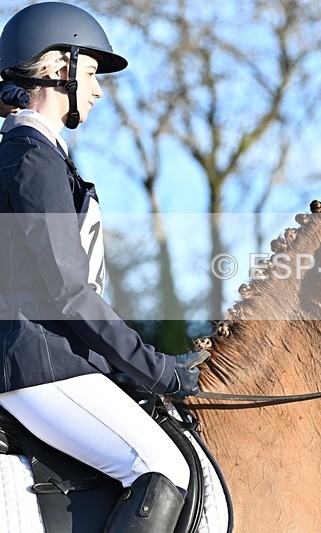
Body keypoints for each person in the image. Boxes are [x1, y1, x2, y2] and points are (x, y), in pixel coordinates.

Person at [0, 3, 206, 532]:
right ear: (57, 70)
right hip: (38, 361)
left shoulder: (34, 154)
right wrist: (158, 369)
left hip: (45, 354)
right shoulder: (31, 156)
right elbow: (70, 293)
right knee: (164, 466)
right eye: (90, 75)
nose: (97, 90)